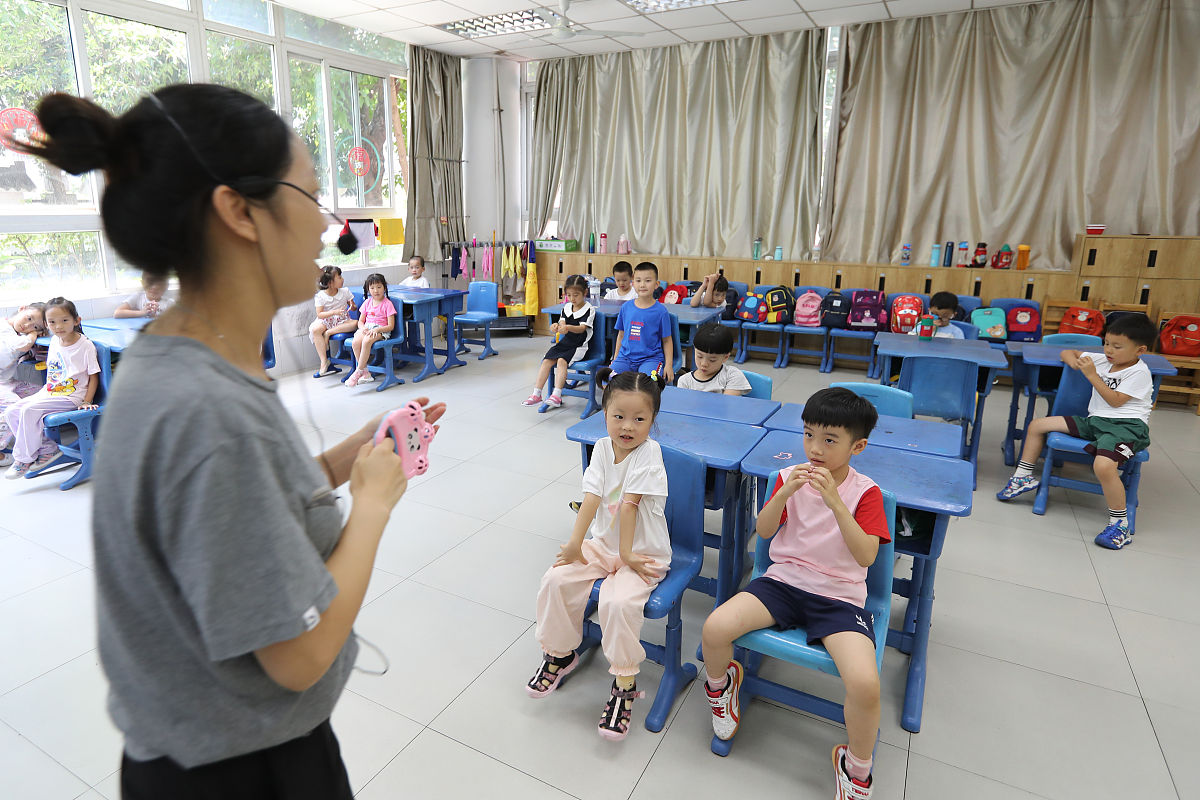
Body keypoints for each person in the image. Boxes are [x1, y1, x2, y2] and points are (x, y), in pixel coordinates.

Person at [12, 84, 445, 798]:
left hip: (197, 748)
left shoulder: (177, 354)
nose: (327, 228)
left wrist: (344, 460)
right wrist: (371, 507)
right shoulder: (211, 412)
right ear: (239, 211)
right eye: (309, 196)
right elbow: (299, 656)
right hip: (241, 770)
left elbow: (230, 515)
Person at [701, 387, 888, 799]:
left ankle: (856, 767)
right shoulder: (788, 478)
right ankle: (723, 688)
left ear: (857, 446)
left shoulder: (866, 493)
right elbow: (765, 532)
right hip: (783, 582)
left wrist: (836, 502)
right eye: (808, 435)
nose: (815, 449)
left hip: (839, 596)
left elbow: (866, 557)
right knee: (714, 628)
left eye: (829, 440)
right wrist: (784, 492)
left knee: (865, 684)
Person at [527, 369, 670, 741]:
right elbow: (591, 498)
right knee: (556, 579)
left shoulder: (650, 453)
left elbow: (629, 507)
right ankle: (559, 654)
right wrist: (575, 545)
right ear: (604, 413)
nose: (627, 426)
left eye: (640, 419)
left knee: (617, 602)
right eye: (618, 416)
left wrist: (625, 554)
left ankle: (624, 684)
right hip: (604, 547)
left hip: (642, 554)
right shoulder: (603, 448)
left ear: (653, 421)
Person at [997, 313, 1158, 550]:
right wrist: (1072, 360)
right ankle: (1023, 477)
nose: (1108, 350)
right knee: (1037, 425)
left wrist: (1091, 375)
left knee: (1103, 466)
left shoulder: (1138, 373)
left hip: (1127, 427)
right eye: (1106, 343)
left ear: (1139, 350)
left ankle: (1120, 524)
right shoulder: (1104, 359)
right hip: (1096, 422)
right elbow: (1066, 352)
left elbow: (1115, 401)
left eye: (1117, 346)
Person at [3, 297, 99, 479]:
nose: (59, 326)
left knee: (29, 410)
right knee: (12, 411)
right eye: (52, 322)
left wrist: (87, 401)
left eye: (64, 320)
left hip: (72, 396)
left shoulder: (85, 346)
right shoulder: (55, 341)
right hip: (51, 391)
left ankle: (23, 459)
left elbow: (93, 376)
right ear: (47, 324)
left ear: (76, 321)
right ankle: (47, 449)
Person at [524, 275, 594, 409]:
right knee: (546, 360)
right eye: (569, 295)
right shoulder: (567, 307)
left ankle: (557, 394)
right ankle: (536, 394)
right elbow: (562, 322)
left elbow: (581, 329)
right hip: (565, 343)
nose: (572, 298)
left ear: (585, 293)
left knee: (562, 361)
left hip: (579, 346)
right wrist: (555, 326)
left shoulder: (589, 309)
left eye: (576, 295)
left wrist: (567, 328)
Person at [610, 262, 673, 383]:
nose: (642, 285)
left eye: (648, 280)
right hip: (625, 357)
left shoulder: (661, 312)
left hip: (650, 359)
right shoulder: (625, 307)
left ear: (656, 284)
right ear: (633, 283)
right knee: (608, 380)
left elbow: (667, 340)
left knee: (649, 383)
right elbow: (621, 335)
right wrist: (615, 358)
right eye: (638, 281)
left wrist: (668, 365)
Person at [0, 303, 46, 467]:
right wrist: (33, 334)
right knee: (13, 405)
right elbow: (23, 345)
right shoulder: (4, 327)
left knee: (41, 393)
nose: (27, 326)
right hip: (2, 384)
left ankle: (40, 443)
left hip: (6, 382)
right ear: (22, 308)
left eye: (34, 326)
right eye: (28, 318)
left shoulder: (15, 333)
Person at [346, 273, 396, 387]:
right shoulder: (367, 302)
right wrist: (363, 328)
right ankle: (366, 373)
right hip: (367, 328)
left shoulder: (387, 304)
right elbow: (360, 321)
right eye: (372, 288)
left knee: (367, 341)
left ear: (384, 287)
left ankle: (358, 372)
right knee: (355, 342)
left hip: (381, 330)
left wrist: (378, 330)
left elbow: (391, 326)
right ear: (368, 289)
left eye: (379, 287)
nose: (376, 290)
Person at [674, 322, 750, 395]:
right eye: (699, 356)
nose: (704, 364)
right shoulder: (685, 381)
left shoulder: (732, 375)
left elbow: (727, 405)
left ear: (725, 357)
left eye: (712, 360)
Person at [309, 265, 357, 378]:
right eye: (339, 277)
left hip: (342, 320)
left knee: (355, 323)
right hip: (326, 320)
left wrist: (353, 306)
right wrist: (334, 312)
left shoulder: (345, 291)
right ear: (330, 282)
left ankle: (328, 333)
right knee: (316, 329)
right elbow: (320, 314)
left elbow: (353, 307)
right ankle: (324, 362)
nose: (342, 279)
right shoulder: (320, 296)